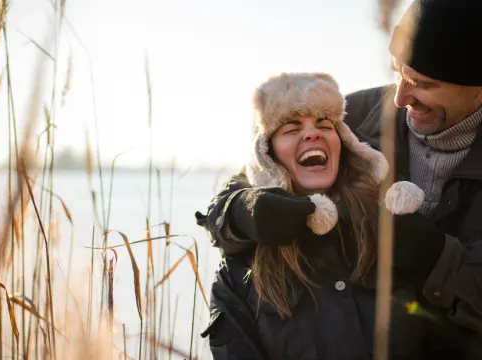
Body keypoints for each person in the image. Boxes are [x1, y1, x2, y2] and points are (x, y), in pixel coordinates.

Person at [196, 0, 482, 354]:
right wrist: (242, 209)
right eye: (398, 73)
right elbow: (259, 173)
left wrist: (438, 257)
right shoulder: (359, 115)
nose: (400, 98)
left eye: (423, 84)